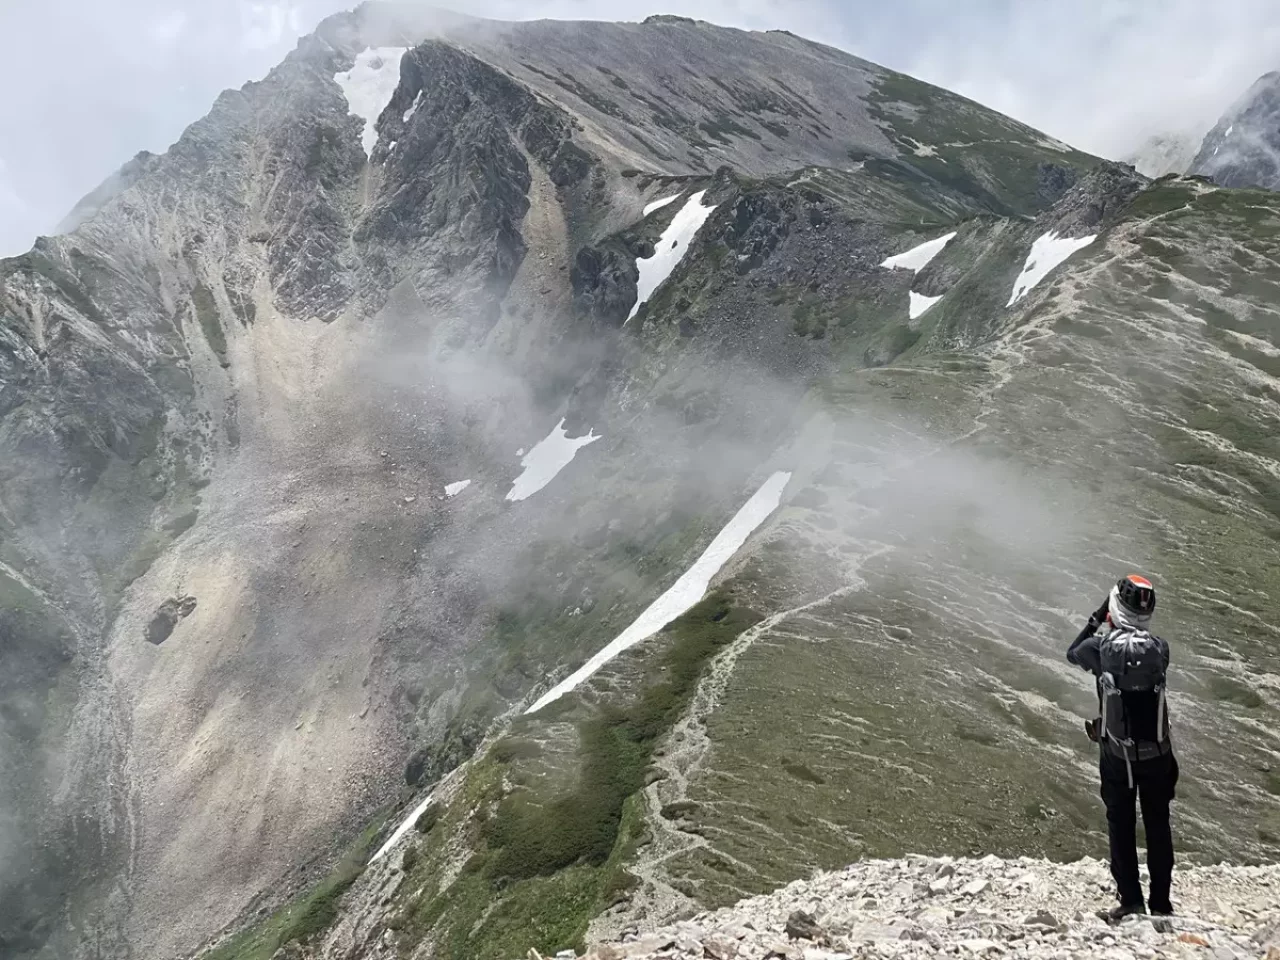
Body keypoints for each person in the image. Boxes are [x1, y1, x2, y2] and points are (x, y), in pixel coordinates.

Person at [1067, 574, 1179, 922]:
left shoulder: (1099, 649)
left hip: (1118, 757)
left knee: (1121, 822)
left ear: (1115, 608)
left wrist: (1099, 617)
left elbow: (1073, 652)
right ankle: (1161, 903)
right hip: (1159, 755)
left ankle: (1131, 900)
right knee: (1158, 824)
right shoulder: (1160, 650)